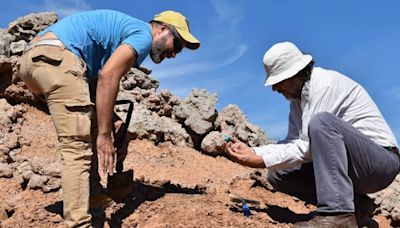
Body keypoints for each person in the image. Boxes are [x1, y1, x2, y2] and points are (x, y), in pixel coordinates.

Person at [18, 9, 200, 227]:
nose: (174, 54)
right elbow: (108, 76)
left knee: (91, 125)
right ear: (162, 29)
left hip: (35, 61)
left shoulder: (121, 33)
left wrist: (112, 120)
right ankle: (79, 223)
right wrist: (105, 136)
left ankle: (93, 196)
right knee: (77, 147)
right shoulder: (142, 36)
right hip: (59, 58)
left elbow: (96, 85)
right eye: (177, 45)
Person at [224, 41, 399, 227]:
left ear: (295, 74)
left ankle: (337, 214)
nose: (275, 89)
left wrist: (260, 160)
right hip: (353, 166)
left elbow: (306, 148)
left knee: (322, 122)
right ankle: (355, 208)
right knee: (278, 174)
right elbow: (293, 142)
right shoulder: (297, 102)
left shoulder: (324, 85)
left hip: (380, 163)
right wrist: (254, 151)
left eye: (278, 82)